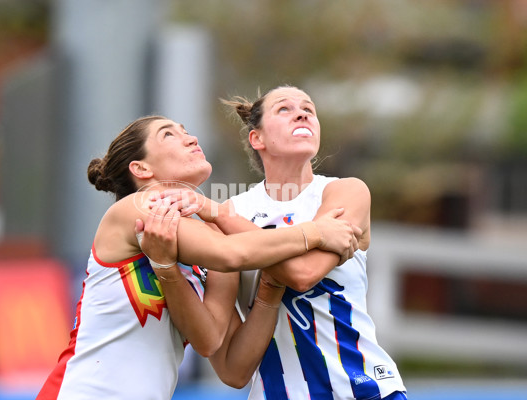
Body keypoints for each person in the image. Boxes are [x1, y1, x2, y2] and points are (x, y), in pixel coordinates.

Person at [35, 115, 361, 400]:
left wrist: (268, 285)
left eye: (185, 130)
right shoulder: (137, 208)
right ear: (141, 168)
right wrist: (316, 232)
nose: (190, 137)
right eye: (169, 134)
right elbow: (233, 253)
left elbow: (211, 342)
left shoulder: (206, 239)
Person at [205, 85, 408, 400]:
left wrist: (218, 217)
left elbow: (302, 274)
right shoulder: (231, 213)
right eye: (284, 109)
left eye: (308, 109)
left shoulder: (345, 192)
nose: (302, 113)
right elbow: (233, 372)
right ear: (256, 138)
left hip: (365, 391)